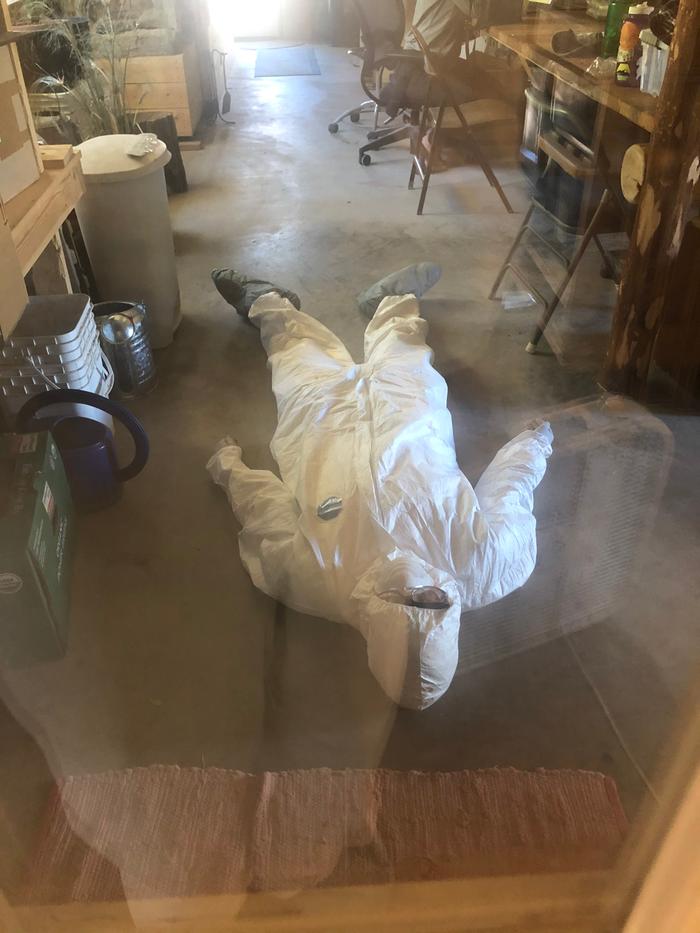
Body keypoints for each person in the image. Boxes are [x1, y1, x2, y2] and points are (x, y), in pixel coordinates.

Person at [208, 270, 553, 710]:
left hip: (319, 424)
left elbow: (266, 514)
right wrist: (533, 445)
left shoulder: (318, 583)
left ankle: (271, 304)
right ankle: (391, 301)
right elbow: (509, 494)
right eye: (434, 606)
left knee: (294, 362)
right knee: (408, 356)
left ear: (374, 631)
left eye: (405, 603)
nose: (424, 593)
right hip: (410, 418)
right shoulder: (487, 567)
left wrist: (228, 467)